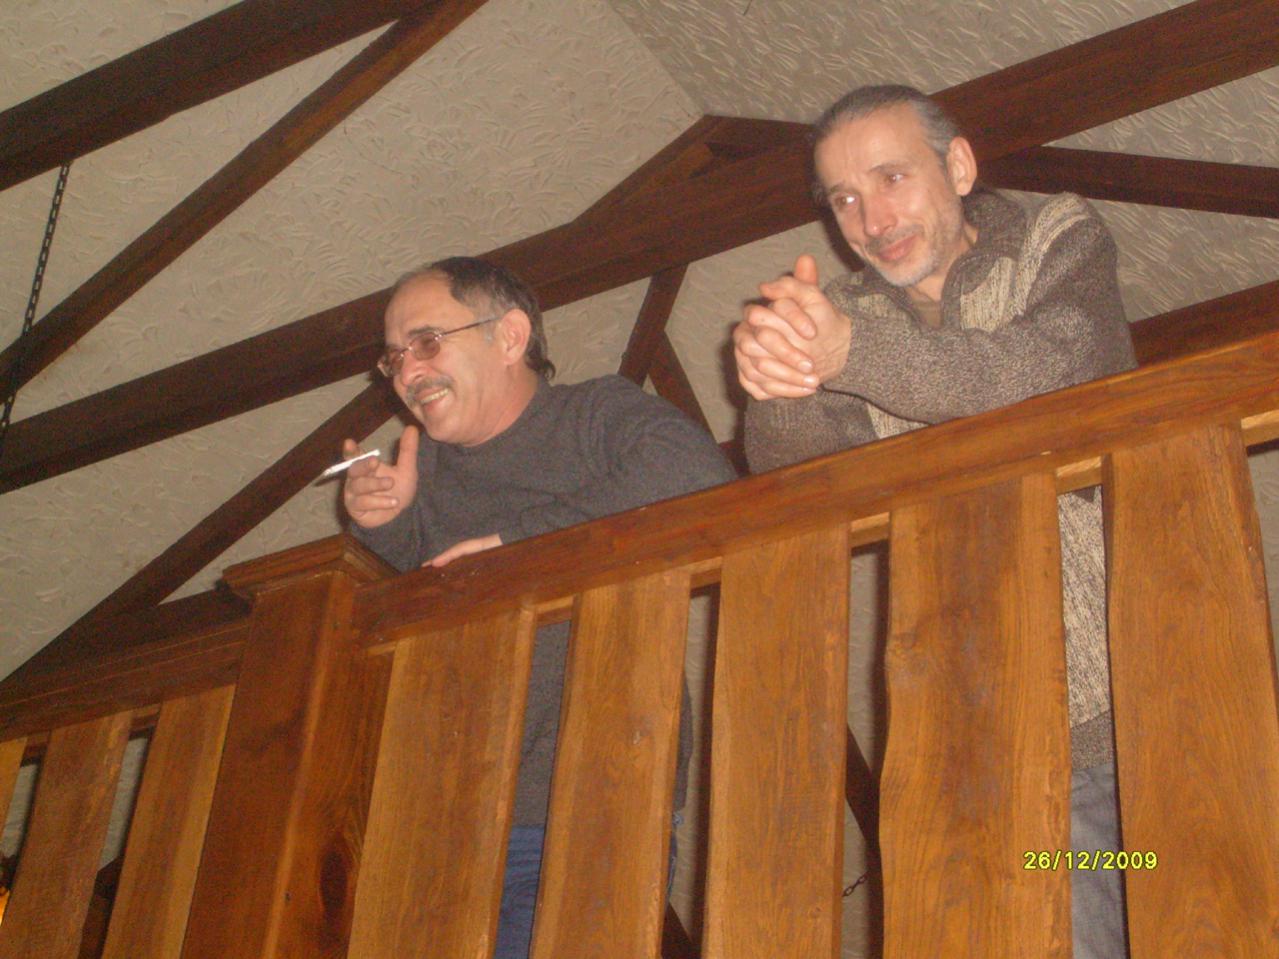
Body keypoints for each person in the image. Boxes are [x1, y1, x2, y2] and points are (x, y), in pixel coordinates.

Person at [732, 85, 1135, 958]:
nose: (870, 219)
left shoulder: (1053, 234)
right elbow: (797, 478)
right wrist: (776, 380)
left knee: (1206, 915)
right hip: (986, 732)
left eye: (890, 177)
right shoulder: (851, 315)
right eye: (843, 198)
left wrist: (848, 353)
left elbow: (1058, 366)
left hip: (1145, 700)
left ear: (957, 166)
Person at [343, 256, 735, 958]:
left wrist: (514, 547)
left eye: (426, 341)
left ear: (510, 335)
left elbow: (694, 473)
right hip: (443, 819)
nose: (406, 371)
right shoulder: (419, 473)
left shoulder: (593, 415)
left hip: (595, 796)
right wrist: (386, 526)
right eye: (394, 357)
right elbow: (412, 623)